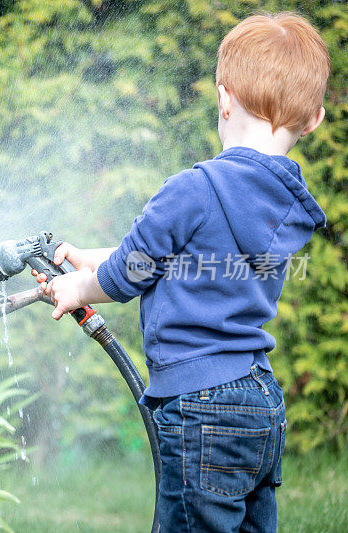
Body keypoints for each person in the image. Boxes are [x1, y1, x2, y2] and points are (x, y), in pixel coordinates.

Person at [34, 12, 329, 532]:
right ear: (313, 120)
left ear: (224, 98)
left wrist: (79, 285)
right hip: (259, 400)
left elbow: (134, 272)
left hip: (202, 408)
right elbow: (195, 262)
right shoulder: (283, 204)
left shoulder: (194, 189)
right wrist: (97, 257)